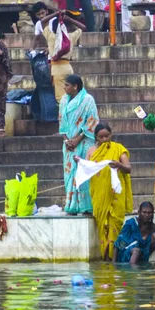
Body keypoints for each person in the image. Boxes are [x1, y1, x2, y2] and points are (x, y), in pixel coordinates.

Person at [84, 123, 133, 261]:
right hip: (99, 194)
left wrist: (119, 165)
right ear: (96, 137)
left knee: (115, 225)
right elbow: (86, 169)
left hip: (115, 195)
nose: (104, 139)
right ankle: (105, 258)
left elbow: (128, 168)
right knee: (102, 227)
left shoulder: (118, 149)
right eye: (101, 137)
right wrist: (79, 162)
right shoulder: (91, 151)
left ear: (111, 135)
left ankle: (114, 258)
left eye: (107, 136)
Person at [59, 74, 99, 214]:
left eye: (67, 85)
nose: (64, 87)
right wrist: (66, 140)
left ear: (75, 87)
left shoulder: (88, 100)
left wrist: (77, 139)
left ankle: (86, 206)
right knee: (70, 174)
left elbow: (92, 121)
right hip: (68, 144)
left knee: (83, 172)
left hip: (84, 141)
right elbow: (62, 122)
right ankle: (72, 205)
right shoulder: (64, 100)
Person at [40, 10, 86, 102]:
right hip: (68, 67)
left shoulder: (51, 36)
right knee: (72, 96)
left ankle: (63, 115)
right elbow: (83, 27)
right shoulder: (70, 36)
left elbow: (42, 21)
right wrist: (70, 19)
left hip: (57, 69)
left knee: (61, 99)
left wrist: (56, 13)